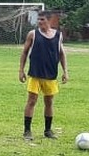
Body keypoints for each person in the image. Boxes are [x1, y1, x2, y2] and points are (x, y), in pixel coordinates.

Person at [18, 10, 69, 140]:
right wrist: (21, 70)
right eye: (38, 20)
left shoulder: (58, 35)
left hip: (51, 75)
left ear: (49, 21)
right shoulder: (33, 34)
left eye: (42, 20)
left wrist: (65, 71)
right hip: (35, 74)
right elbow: (24, 52)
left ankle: (48, 130)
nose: (39, 22)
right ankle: (27, 131)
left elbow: (61, 53)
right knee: (31, 101)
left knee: (49, 102)